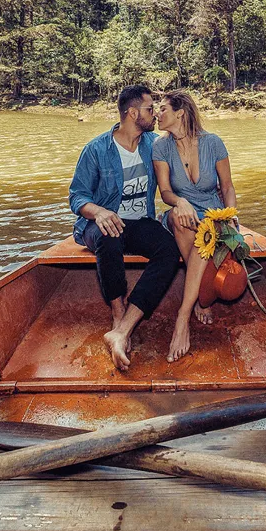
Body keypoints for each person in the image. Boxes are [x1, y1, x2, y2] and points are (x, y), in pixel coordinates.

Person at [68, 84, 180, 371]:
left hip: (139, 223)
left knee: (168, 249)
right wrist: (99, 212)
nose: (155, 114)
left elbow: (185, 148)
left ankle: (123, 329)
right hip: (99, 225)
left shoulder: (154, 145)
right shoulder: (96, 149)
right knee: (110, 234)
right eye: (149, 109)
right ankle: (117, 314)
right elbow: (77, 196)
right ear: (132, 113)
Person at [152, 90, 237, 363]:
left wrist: (231, 216)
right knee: (180, 218)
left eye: (162, 109)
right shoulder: (160, 147)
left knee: (207, 228)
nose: (157, 114)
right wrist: (181, 202)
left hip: (213, 215)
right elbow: (165, 192)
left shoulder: (213, 143)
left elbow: (227, 187)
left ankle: (187, 309)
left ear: (180, 113)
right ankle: (197, 301)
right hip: (182, 213)